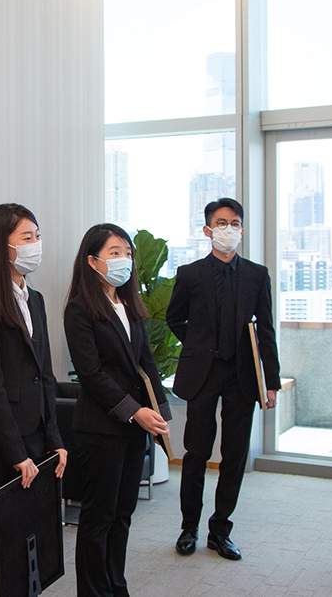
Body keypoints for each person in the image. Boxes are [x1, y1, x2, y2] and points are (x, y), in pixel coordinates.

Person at [0, 203, 67, 597]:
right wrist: (16, 453)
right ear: (0, 245)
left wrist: (54, 439)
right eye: (26, 238)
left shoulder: (34, 299)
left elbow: (46, 375)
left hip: (35, 438)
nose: (36, 245)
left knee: (27, 535)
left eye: (37, 237)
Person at [166, 197, 280, 560]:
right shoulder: (189, 274)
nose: (227, 229)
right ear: (207, 230)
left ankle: (221, 530)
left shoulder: (257, 275)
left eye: (234, 224)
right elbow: (174, 319)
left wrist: (271, 381)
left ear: (242, 230)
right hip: (202, 375)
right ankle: (189, 528)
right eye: (220, 223)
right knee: (196, 452)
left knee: (234, 455)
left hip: (243, 377)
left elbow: (267, 331)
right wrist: (199, 345)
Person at [63, 223, 172, 597]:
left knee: (123, 514)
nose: (123, 259)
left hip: (134, 428)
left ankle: (116, 586)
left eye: (126, 252)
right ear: (92, 261)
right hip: (100, 428)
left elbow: (147, 364)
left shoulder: (130, 304)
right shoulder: (79, 309)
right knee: (99, 518)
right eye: (114, 252)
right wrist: (134, 411)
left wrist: (160, 415)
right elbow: (91, 374)